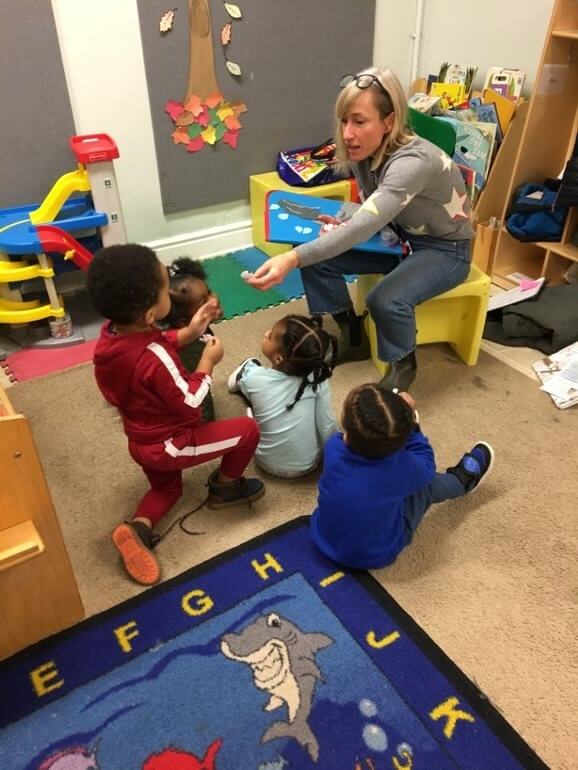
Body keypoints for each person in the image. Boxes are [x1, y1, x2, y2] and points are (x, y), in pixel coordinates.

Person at [246, 67, 474, 391]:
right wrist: (334, 230)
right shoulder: (363, 151)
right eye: (344, 120)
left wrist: (292, 259)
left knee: (385, 298)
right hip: (401, 236)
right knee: (316, 256)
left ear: (390, 122)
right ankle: (353, 334)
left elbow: (366, 222)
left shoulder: (414, 161)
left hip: (446, 250)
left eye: (359, 121)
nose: (348, 133)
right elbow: (373, 213)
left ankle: (403, 366)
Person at [86, 244, 264, 587]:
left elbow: (155, 340)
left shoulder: (110, 337)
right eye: (165, 285)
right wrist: (207, 363)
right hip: (172, 443)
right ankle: (225, 489)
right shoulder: (156, 357)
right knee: (247, 430)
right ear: (152, 314)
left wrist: (193, 330)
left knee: (167, 491)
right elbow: (189, 403)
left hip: (140, 441)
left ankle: (137, 528)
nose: (170, 285)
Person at [310, 383, 494, 569]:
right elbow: (428, 464)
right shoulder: (401, 468)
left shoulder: (333, 446)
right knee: (425, 486)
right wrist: (413, 427)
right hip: (377, 554)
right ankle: (461, 481)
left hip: (323, 537)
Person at [228, 314, 339, 477]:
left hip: (264, 461)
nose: (266, 333)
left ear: (279, 358)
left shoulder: (256, 378)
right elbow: (327, 426)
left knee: (252, 371)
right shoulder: (317, 378)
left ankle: (243, 374)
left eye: (270, 335)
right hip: (308, 465)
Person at [165, 256, 224, 422]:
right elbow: (195, 392)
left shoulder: (196, 328)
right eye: (203, 301)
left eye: (209, 291)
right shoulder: (188, 351)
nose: (214, 299)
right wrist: (207, 423)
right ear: (184, 322)